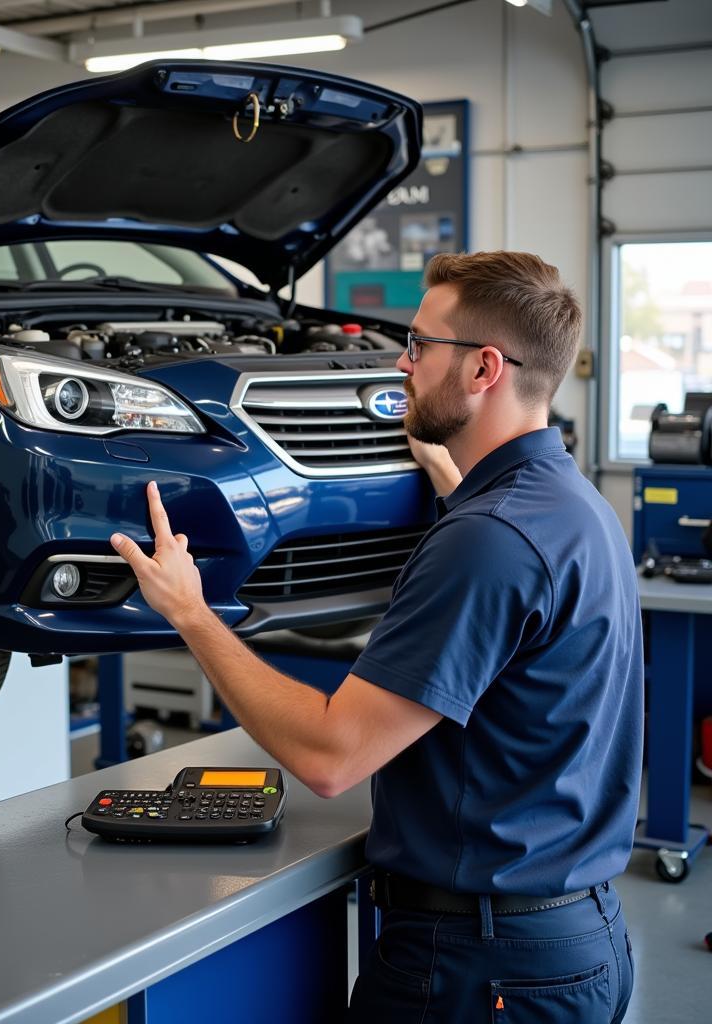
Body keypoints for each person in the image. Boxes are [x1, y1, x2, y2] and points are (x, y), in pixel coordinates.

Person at [110, 251, 642, 1023]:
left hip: (480, 971)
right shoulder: (572, 508)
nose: (403, 363)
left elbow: (332, 758)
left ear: (484, 368)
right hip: (577, 940)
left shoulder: (488, 542)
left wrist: (192, 614)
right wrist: (450, 478)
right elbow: (507, 583)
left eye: (422, 346)